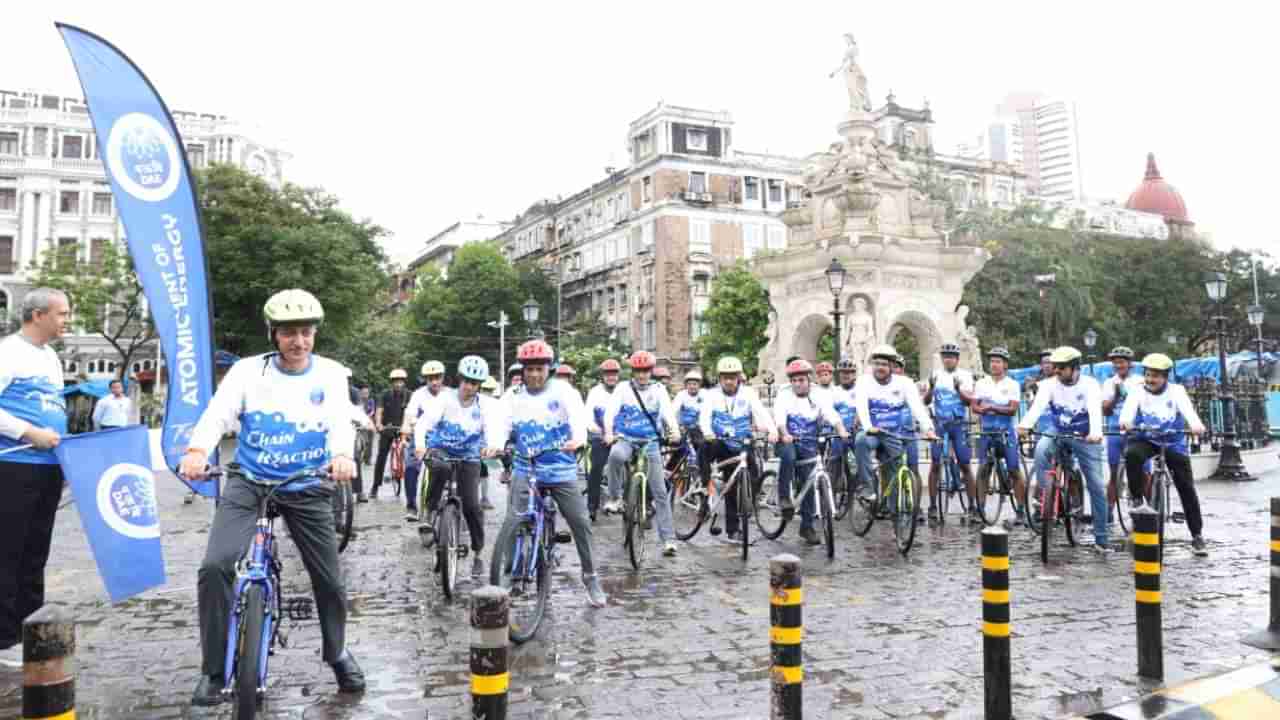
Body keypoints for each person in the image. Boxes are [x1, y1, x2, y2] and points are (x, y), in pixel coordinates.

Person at [179, 289, 363, 704]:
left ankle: (337, 652)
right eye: (288, 334)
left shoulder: (331, 373)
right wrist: (196, 450)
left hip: (307, 482)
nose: (298, 342)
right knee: (215, 566)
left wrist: (341, 456)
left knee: (329, 580)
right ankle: (212, 669)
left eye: (306, 332)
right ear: (273, 335)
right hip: (250, 480)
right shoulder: (247, 372)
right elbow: (218, 414)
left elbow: (340, 420)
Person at [489, 339, 607, 607]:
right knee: (513, 521)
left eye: (539, 368)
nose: (533, 374)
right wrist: (496, 443)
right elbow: (500, 424)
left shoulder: (564, 392)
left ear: (549, 369)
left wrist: (578, 439)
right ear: (522, 370)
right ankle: (513, 573)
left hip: (560, 468)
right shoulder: (512, 397)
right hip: (525, 467)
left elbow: (577, 418)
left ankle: (590, 577)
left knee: (580, 522)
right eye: (529, 369)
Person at [0, 288, 70, 669]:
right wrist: (28, 433)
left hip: (47, 468)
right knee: (7, 552)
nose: (67, 320)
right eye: (62, 314)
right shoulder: (8, 352)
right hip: (12, 466)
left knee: (35, 553)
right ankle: (4, 637)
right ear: (38, 314)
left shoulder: (52, 357)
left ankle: (30, 627)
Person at [1017, 346, 1110, 556]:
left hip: (1085, 435)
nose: (1056, 371)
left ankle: (1101, 538)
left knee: (1096, 484)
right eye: (1055, 367)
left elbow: (1095, 410)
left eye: (1061, 368)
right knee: (1041, 449)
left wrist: (1095, 432)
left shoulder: (1090, 385)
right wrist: (1024, 425)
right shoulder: (1049, 384)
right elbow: (1037, 407)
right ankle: (1045, 498)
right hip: (1059, 431)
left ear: (1075, 368)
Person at [414, 356, 500, 577]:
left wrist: (492, 446)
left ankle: (478, 549)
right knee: (440, 469)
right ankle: (430, 512)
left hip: (469, 455)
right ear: (459, 379)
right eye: (465, 381)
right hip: (440, 450)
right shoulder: (445, 399)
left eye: (474, 383)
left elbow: (493, 429)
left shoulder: (486, 405)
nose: (468, 386)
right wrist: (420, 446)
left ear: (479, 385)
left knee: (471, 504)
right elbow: (425, 423)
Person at [1120, 353, 1208, 556]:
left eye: (1156, 376)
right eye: (1148, 375)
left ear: (1165, 377)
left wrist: (1196, 425)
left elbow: (1189, 411)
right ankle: (1137, 499)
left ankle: (1197, 535)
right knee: (1132, 454)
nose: (1151, 380)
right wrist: (1125, 421)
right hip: (1147, 439)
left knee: (1186, 486)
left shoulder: (1177, 391)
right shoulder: (1136, 391)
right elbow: (1128, 412)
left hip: (1173, 441)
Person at [603, 351, 681, 556]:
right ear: (633, 371)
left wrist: (674, 432)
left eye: (645, 371)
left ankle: (669, 539)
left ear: (651, 371)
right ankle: (615, 497)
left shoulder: (658, 390)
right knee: (615, 456)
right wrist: (609, 432)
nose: (642, 375)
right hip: (626, 438)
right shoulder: (622, 388)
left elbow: (667, 413)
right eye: (638, 371)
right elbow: (611, 411)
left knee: (660, 491)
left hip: (650, 442)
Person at [698, 356, 777, 543]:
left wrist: (772, 430)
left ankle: (746, 510)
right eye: (725, 377)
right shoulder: (712, 395)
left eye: (732, 377)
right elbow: (704, 418)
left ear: (739, 378)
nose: (729, 381)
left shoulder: (748, 394)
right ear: (719, 378)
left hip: (741, 442)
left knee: (747, 476)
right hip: (720, 442)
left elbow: (761, 413)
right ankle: (704, 489)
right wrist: (708, 432)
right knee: (705, 447)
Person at [774, 359, 849, 545]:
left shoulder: (818, 395)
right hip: (787, 440)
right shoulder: (784, 394)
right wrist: (784, 434)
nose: (797, 384)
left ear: (809, 379)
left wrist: (841, 430)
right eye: (794, 381)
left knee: (809, 482)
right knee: (789, 457)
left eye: (801, 380)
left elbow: (830, 413)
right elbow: (779, 417)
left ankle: (807, 527)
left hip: (809, 443)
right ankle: (784, 497)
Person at [853, 345, 936, 512]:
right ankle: (868, 487)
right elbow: (861, 407)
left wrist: (928, 429)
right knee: (861, 440)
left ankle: (896, 517)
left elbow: (917, 408)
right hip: (873, 432)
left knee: (894, 477)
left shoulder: (905, 383)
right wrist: (868, 427)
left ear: (892, 366)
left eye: (884, 364)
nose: (879, 368)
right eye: (876, 364)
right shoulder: (863, 381)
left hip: (894, 435)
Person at [973, 347, 1027, 520]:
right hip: (987, 432)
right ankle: (980, 508)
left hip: (1005, 433)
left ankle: (1020, 510)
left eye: (998, 361)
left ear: (1005, 364)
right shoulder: (982, 383)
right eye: (992, 361)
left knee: (1014, 470)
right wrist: (981, 409)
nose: (994, 364)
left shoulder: (1012, 384)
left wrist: (992, 407)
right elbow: (974, 405)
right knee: (983, 470)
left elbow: (1012, 409)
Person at [926, 343, 977, 522]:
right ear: (942, 358)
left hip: (958, 424)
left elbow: (969, 401)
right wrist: (931, 388)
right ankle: (932, 506)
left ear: (957, 359)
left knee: (964, 464)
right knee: (935, 463)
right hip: (940, 424)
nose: (948, 359)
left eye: (951, 357)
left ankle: (973, 506)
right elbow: (926, 401)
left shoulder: (965, 376)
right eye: (945, 356)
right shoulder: (935, 375)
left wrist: (958, 389)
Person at [401, 361, 448, 522]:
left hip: (442, 438)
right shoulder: (418, 394)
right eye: (430, 379)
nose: (434, 382)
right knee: (411, 466)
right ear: (425, 380)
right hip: (421, 434)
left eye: (437, 378)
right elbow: (409, 413)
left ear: (442, 378)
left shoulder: (450, 395)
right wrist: (406, 427)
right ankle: (412, 505)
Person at [1101, 346, 1142, 522]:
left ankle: (1144, 505)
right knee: (1114, 472)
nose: (1119, 365)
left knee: (1143, 472)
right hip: (1114, 430)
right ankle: (1109, 509)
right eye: (1115, 362)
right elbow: (1105, 410)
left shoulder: (1140, 381)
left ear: (1129, 364)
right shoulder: (1109, 382)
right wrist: (1117, 395)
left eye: (1122, 362)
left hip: (1136, 431)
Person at [584, 359, 622, 521]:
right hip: (600, 436)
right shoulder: (595, 392)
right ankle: (592, 506)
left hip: (621, 436)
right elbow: (587, 416)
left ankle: (638, 504)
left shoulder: (624, 390)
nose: (611, 377)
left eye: (614, 374)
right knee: (596, 470)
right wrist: (597, 430)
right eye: (608, 374)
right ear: (603, 376)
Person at [371, 368, 410, 500]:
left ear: (404, 382)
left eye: (401, 382)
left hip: (403, 428)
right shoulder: (385, 394)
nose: (398, 384)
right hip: (387, 428)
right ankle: (375, 486)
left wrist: (409, 426)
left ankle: (407, 484)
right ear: (392, 382)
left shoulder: (409, 395)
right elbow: (379, 411)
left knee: (410, 456)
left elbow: (411, 412)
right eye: (396, 382)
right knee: (381, 456)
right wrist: (378, 424)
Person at [889, 353, 923, 487]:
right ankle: (886, 504)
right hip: (890, 434)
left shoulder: (909, 385)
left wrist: (923, 426)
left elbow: (919, 408)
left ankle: (916, 507)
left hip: (908, 433)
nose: (895, 370)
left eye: (897, 367)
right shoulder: (883, 386)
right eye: (892, 367)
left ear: (902, 369)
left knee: (914, 469)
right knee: (888, 470)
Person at [669, 368, 707, 486]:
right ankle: (670, 474)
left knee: (702, 448)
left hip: (699, 429)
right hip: (684, 428)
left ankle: (701, 474)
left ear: (699, 385)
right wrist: (675, 426)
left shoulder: (705, 395)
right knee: (679, 450)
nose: (692, 386)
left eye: (695, 384)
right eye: (690, 384)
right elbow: (673, 410)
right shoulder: (681, 395)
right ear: (686, 385)